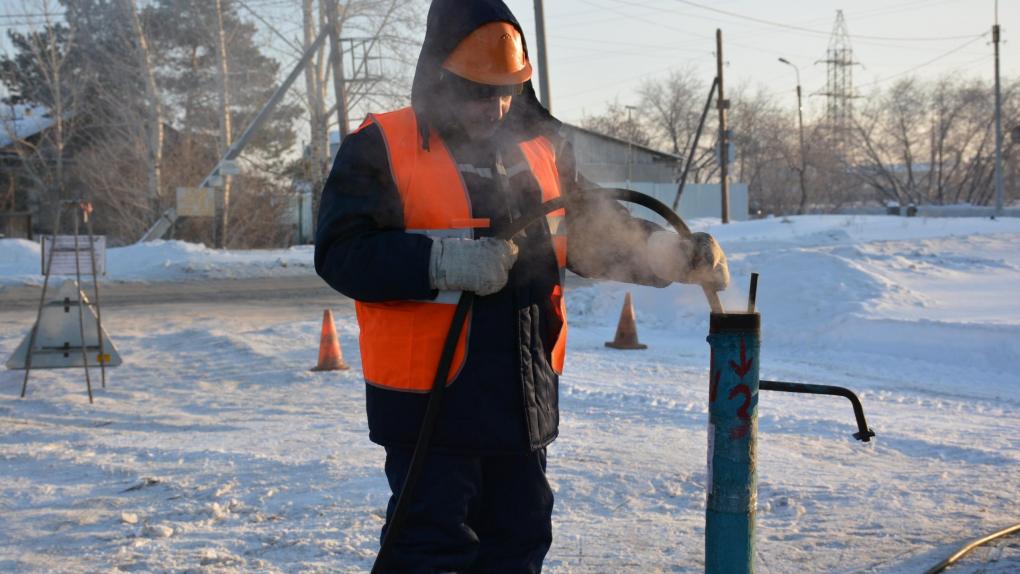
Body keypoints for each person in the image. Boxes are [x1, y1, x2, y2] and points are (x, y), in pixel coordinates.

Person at [315, 0, 729, 571]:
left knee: (520, 541)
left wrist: (662, 253)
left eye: (507, 90)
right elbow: (341, 253)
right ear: (440, 76)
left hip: (520, 393)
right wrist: (441, 264)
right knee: (429, 550)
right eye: (479, 91)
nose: (497, 106)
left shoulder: (542, 145)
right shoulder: (382, 146)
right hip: (431, 401)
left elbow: (587, 230)